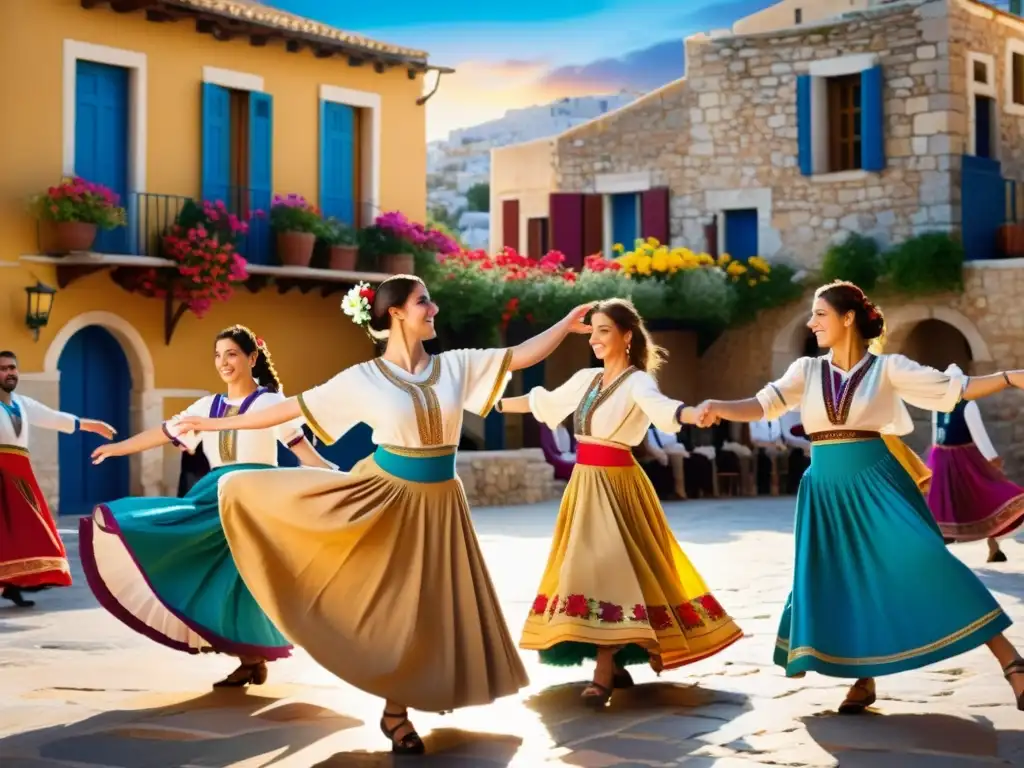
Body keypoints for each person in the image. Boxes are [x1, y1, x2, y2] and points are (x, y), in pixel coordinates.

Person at [175, 276, 593, 755]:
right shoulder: (364, 378)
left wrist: (564, 324)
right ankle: (396, 711)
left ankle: (419, 693)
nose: (433, 308)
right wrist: (212, 422)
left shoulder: (454, 366)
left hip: (442, 503)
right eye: (423, 301)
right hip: (386, 497)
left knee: (437, 607)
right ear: (395, 313)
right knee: (398, 610)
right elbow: (288, 408)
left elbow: (520, 354)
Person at [695, 280, 1024, 714]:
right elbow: (761, 405)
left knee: (928, 560)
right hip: (826, 490)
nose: (811, 323)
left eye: (820, 314)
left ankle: (1013, 663)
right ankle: (862, 678)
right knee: (844, 577)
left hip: (877, 482)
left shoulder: (889, 368)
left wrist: (1007, 378)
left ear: (847, 318)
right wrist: (718, 405)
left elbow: (954, 389)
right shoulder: (806, 371)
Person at [497, 298, 743, 707]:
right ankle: (614, 659)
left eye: (603, 330)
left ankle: (603, 669)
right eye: (591, 331)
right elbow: (545, 402)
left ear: (626, 336)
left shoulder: (637, 382)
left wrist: (690, 414)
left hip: (618, 486)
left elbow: (663, 410)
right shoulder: (586, 379)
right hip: (584, 485)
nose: (593, 339)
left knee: (612, 572)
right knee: (585, 572)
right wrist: (490, 405)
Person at [80, 326, 332, 688]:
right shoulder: (205, 407)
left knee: (248, 578)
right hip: (216, 494)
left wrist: (344, 478)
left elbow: (303, 453)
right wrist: (116, 449)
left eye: (231, 353)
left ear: (252, 358)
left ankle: (251, 657)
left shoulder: (271, 403)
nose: (223, 362)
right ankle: (249, 658)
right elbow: (162, 432)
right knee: (213, 570)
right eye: (218, 354)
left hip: (259, 498)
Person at [0, 350, 115, 608]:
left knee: (29, 527)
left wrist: (90, 424)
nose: (9, 373)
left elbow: (52, 417)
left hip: (20, 474)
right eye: (3, 369)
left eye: (12, 368)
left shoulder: (22, 404)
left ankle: (17, 582)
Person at [927, 363, 1024, 562]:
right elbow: (978, 433)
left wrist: (932, 456)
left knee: (946, 502)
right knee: (984, 497)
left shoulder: (937, 404)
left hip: (940, 457)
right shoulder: (967, 403)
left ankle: (988, 547)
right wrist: (991, 457)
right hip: (964, 459)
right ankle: (992, 546)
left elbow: (935, 432)